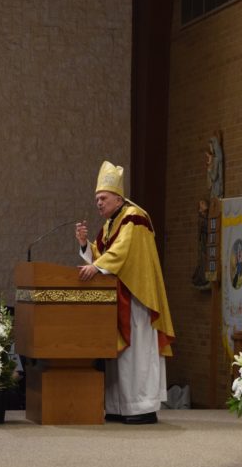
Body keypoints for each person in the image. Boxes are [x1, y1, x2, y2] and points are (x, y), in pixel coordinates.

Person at [75, 161, 175, 425]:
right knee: (122, 358)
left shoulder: (134, 217)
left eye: (103, 198)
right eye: (96, 199)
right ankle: (120, 406)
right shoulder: (111, 223)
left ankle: (141, 406)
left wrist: (97, 266)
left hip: (137, 296)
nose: (98, 203)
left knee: (137, 355)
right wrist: (86, 245)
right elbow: (102, 253)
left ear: (118, 197)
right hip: (120, 295)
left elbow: (122, 252)